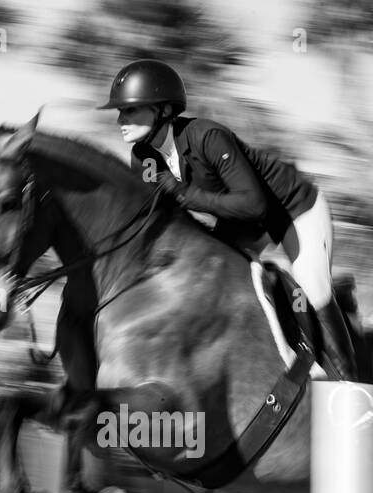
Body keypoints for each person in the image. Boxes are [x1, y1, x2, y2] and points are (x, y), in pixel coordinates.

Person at [97, 59, 358, 382]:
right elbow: (159, 218)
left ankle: (351, 387)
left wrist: (185, 194)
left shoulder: (208, 137)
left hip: (293, 209)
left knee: (311, 285)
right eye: (120, 112)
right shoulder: (144, 157)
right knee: (214, 277)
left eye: (131, 110)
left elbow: (255, 205)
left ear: (163, 110)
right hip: (241, 220)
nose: (121, 119)